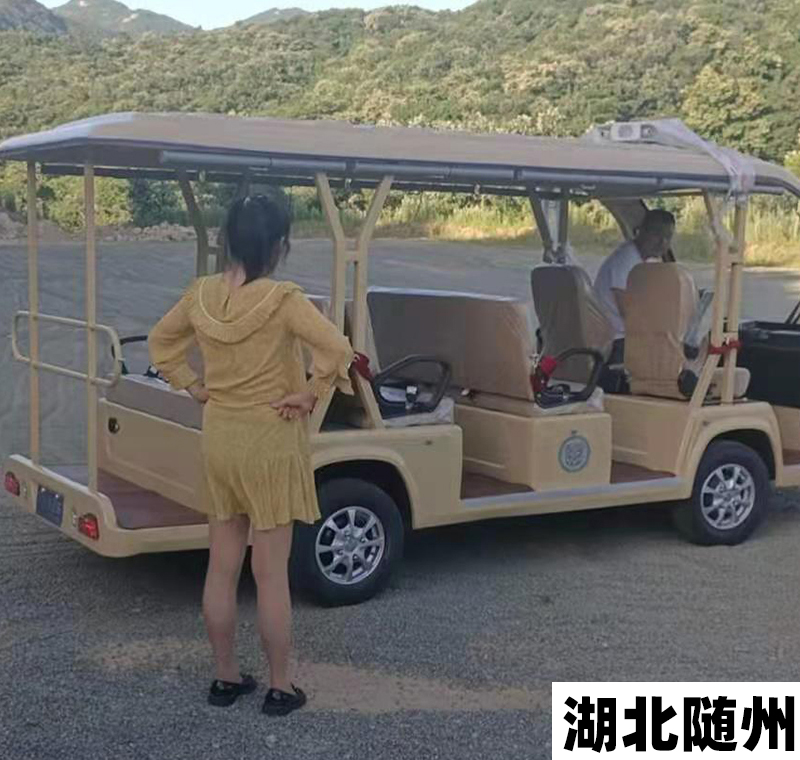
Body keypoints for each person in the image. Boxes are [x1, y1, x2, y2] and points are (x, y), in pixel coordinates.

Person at [148, 195, 354, 716]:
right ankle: (280, 687)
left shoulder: (200, 295)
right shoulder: (284, 299)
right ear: (279, 245)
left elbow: (161, 343)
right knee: (270, 574)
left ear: (227, 241)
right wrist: (311, 392)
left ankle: (225, 678)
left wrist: (193, 385)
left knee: (221, 568)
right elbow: (337, 349)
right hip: (269, 439)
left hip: (220, 437)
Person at [593, 209, 676, 365]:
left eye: (668, 237)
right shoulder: (626, 261)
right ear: (641, 231)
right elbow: (629, 312)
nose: (662, 242)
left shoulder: (637, 261)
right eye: (657, 234)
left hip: (626, 338)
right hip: (617, 343)